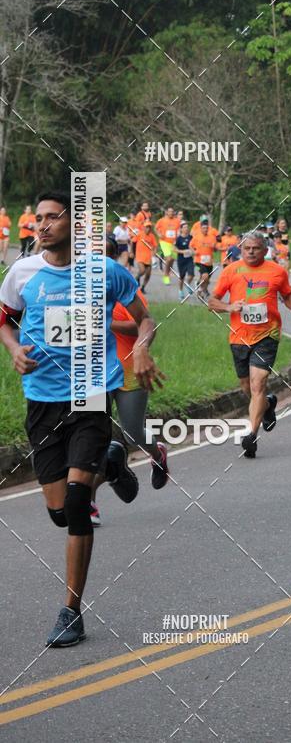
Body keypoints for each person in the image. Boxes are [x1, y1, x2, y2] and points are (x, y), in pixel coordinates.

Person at [0, 191, 160, 646]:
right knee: (57, 512)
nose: (42, 226)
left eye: (53, 218)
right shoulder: (22, 273)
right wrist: (13, 350)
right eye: (38, 220)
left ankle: (71, 611)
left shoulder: (105, 271)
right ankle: (110, 462)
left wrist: (143, 349)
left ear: (74, 223)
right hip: (42, 401)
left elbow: (145, 319)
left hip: (92, 392)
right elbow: (4, 320)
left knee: (75, 503)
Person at [90, 239, 169, 526]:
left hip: (128, 367)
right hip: (93, 372)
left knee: (133, 432)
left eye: (98, 252)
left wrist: (104, 324)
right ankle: (89, 502)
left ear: (113, 258)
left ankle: (157, 452)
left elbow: (144, 323)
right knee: (90, 438)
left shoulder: (123, 285)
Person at [208, 233, 291, 458]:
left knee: (258, 383)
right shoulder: (231, 270)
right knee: (247, 388)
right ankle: (268, 406)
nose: (251, 252)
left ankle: (251, 435)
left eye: (256, 248)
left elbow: (288, 295)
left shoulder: (277, 271)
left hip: (267, 335)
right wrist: (229, 307)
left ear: (264, 250)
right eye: (247, 248)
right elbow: (212, 302)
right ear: (241, 250)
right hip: (239, 337)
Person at [191, 219, 218, 298]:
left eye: (207, 228)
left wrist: (214, 247)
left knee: (206, 280)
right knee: (205, 276)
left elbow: (215, 249)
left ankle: (199, 290)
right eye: (203, 228)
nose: (205, 229)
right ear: (201, 228)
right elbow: (190, 246)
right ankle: (200, 290)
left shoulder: (212, 237)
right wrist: (193, 252)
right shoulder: (196, 237)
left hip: (209, 262)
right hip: (198, 261)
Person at [155, 207, 180, 285]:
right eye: (169, 211)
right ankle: (166, 275)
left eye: (172, 211)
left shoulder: (177, 221)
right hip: (164, 242)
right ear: (167, 212)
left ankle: (168, 273)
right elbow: (155, 228)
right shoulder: (162, 220)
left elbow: (179, 230)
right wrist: (159, 234)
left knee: (172, 259)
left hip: (173, 243)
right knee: (168, 259)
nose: (171, 213)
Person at [175, 221, 195, 302]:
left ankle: (187, 285)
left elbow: (195, 246)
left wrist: (193, 251)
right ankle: (180, 291)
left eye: (187, 227)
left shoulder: (191, 237)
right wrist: (182, 252)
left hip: (189, 259)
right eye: (185, 227)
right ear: (181, 229)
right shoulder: (178, 238)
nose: (187, 229)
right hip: (181, 260)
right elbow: (174, 249)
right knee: (182, 276)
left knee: (191, 275)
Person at [135, 221, 157, 292]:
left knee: (148, 274)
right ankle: (136, 278)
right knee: (142, 270)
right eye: (147, 227)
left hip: (148, 257)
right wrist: (131, 252)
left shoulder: (152, 236)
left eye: (149, 227)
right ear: (144, 227)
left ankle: (143, 287)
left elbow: (155, 246)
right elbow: (133, 242)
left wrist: (154, 253)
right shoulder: (139, 234)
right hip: (140, 256)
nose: (148, 229)